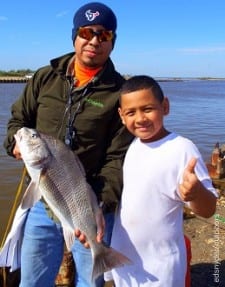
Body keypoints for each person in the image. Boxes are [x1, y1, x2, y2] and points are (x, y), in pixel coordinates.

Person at [4, 2, 133, 287]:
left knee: (89, 282)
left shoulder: (118, 93)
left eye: (104, 34)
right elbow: (18, 121)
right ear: (75, 35)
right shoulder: (45, 77)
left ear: (112, 42)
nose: (94, 40)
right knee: (32, 281)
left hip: (90, 204)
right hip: (41, 202)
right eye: (87, 32)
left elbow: (118, 157)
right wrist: (14, 143)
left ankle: (101, 255)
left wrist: (100, 204)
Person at [104, 75, 218, 287]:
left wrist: (196, 193)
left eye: (147, 109)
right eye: (130, 112)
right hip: (124, 259)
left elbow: (209, 209)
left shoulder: (182, 149)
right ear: (121, 116)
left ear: (165, 106)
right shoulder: (132, 146)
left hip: (162, 268)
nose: (140, 119)